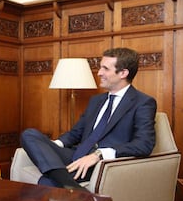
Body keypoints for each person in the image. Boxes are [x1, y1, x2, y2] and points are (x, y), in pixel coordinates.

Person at [21, 47, 157, 190]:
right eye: (100, 68)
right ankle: (69, 183)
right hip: (76, 154)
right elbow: (75, 134)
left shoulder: (142, 103)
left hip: (99, 164)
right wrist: (53, 145)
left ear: (123, 73)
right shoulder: (96, 101)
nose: (99, 73)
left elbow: (144, 144)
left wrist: (99, 154)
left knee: (47, 181)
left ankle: (63, 181)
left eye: (105, 69)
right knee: (29, 134)